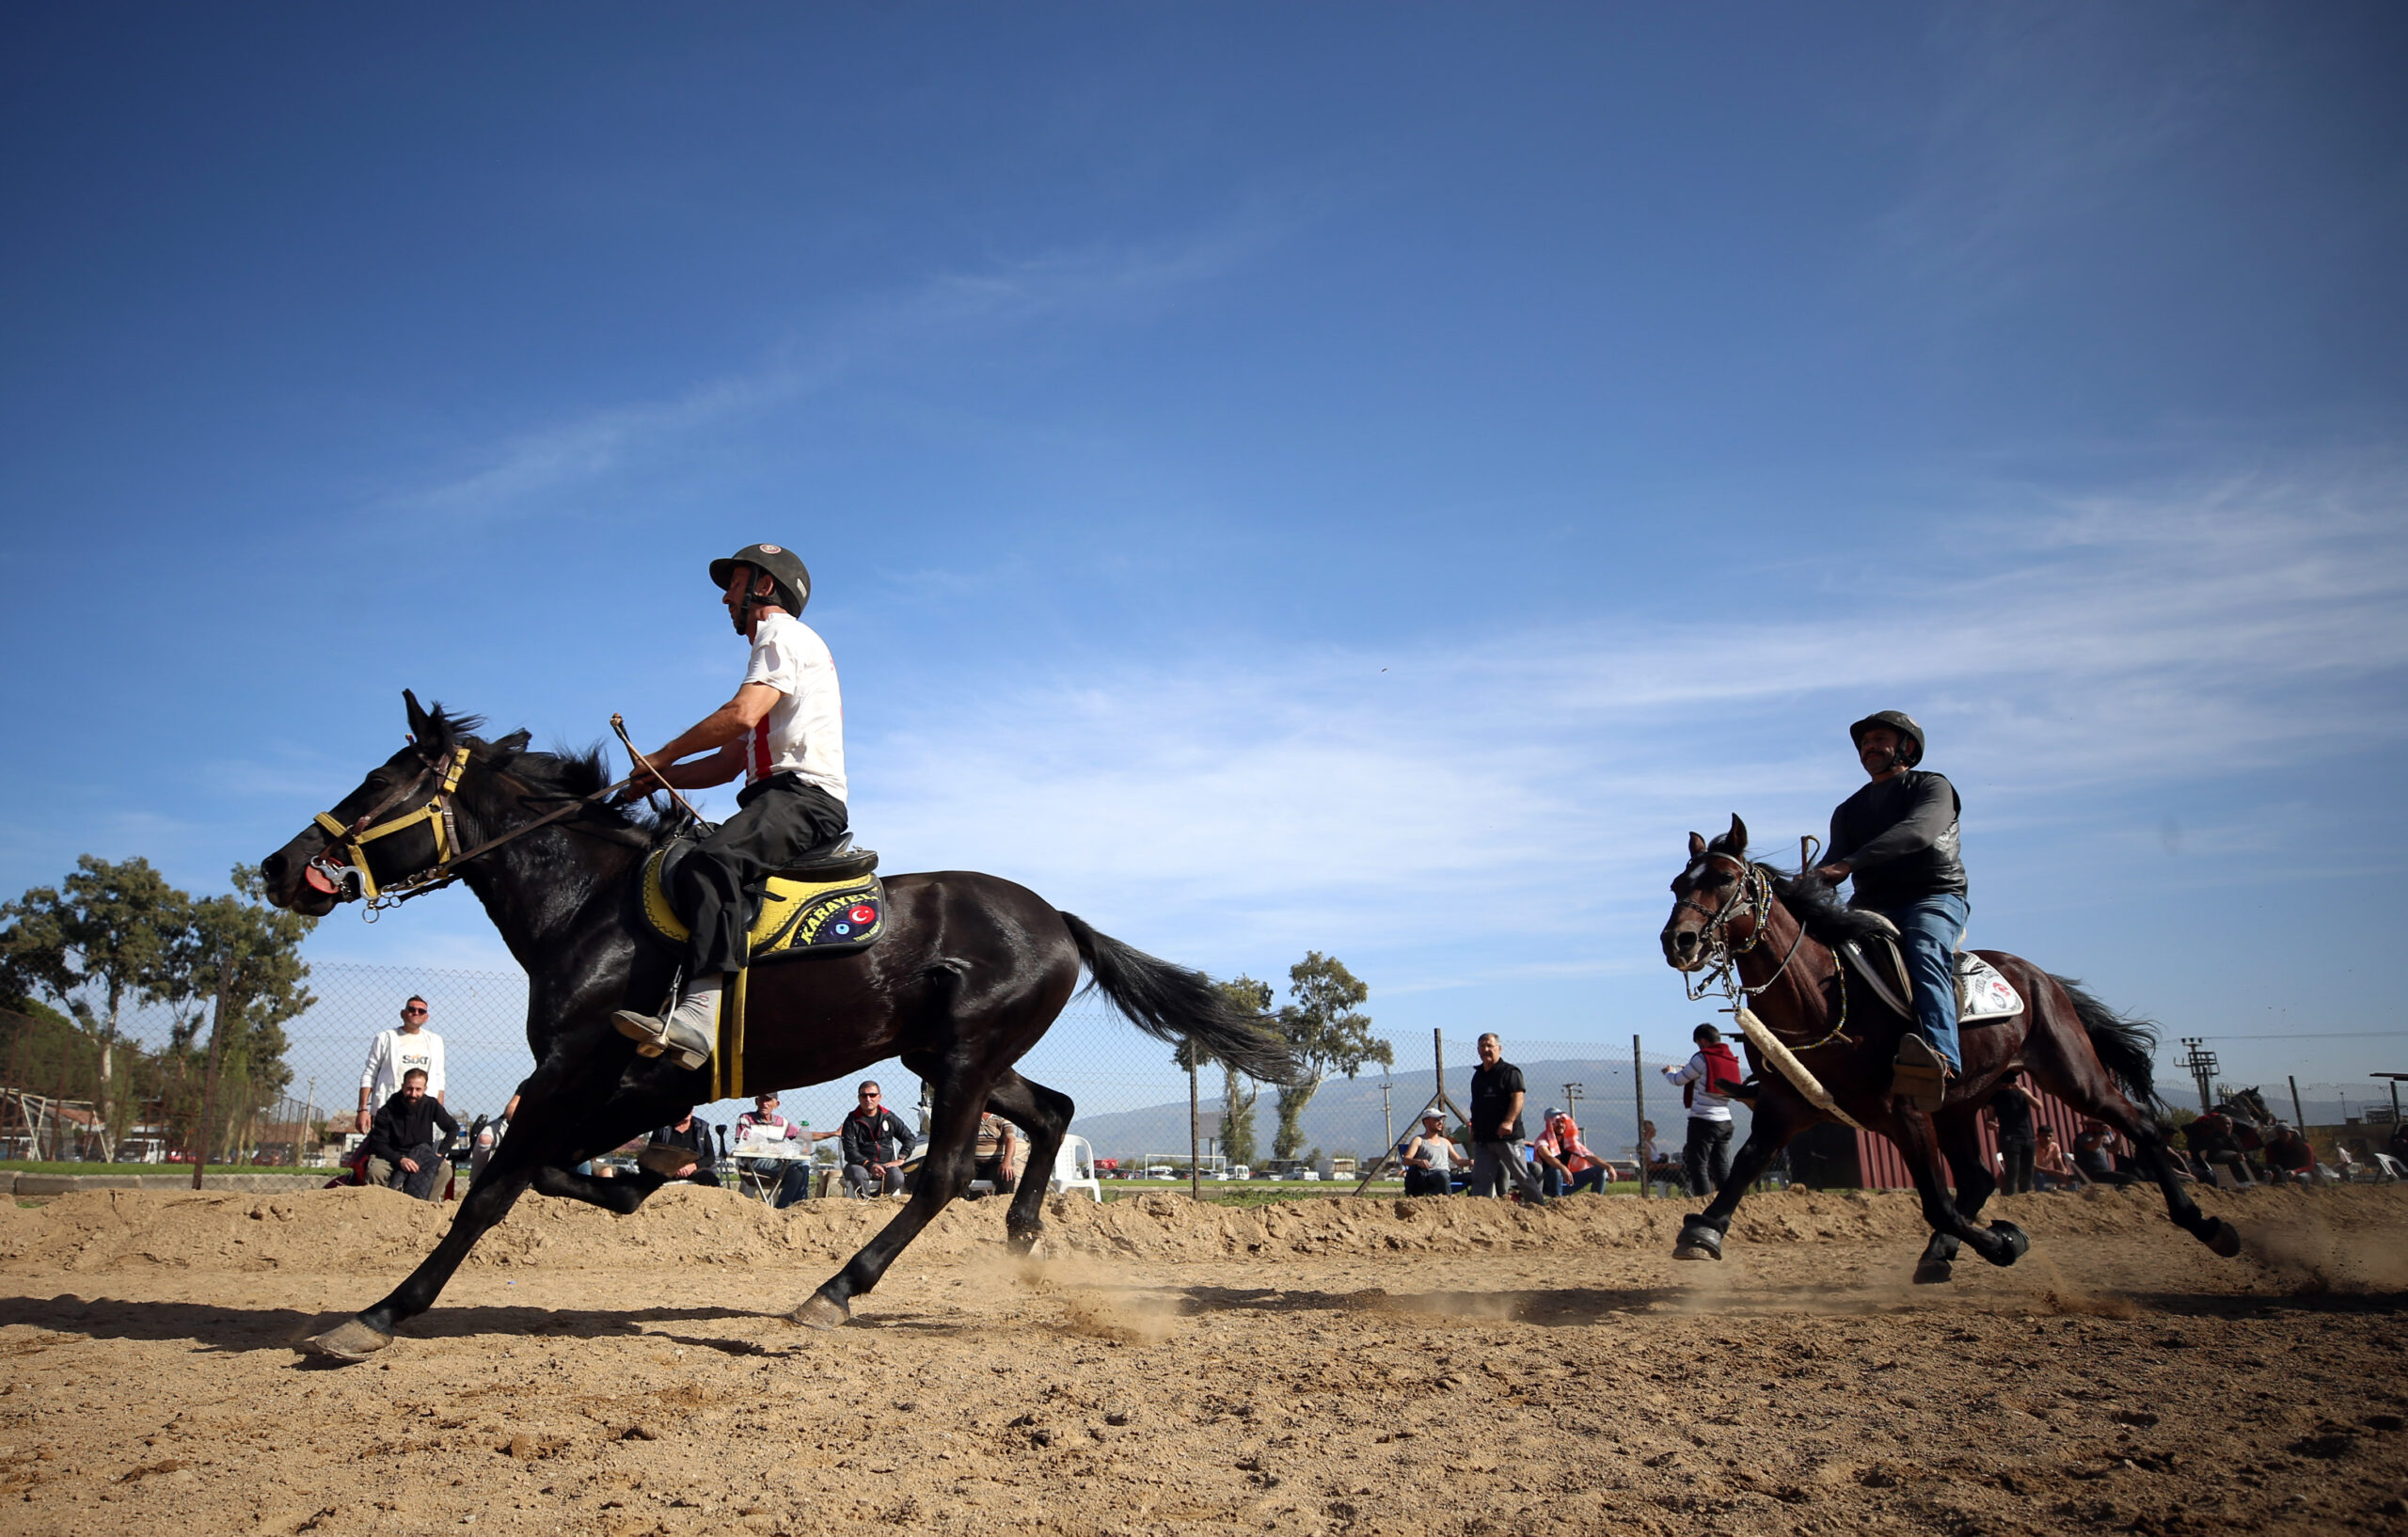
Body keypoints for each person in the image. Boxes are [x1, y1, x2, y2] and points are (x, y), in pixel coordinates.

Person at [610, 544, 849, 1071]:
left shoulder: (780, 636)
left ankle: (697, 1017)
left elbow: (740, 715)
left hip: (803, 799)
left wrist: (661, 754)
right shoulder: (778, 652)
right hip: (778, 797)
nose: (725, 597)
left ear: (763, 587)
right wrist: (653, 779)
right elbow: (723, 766)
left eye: (734, 584)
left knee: (710, 861)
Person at [1814, 710, 1967, 1115]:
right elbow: (1833, 860)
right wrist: (1803, 885)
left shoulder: (1934, 787)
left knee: (1923, 946)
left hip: (1932, 896)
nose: (1869, 748)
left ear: (1907, 748)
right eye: (1864, 743)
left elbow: (1916, 833)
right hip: (1871, 905)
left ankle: (1942, 1057)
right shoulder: (1848, 810)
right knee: (1819, 955)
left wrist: (1847, 865)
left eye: (1879, 739)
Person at [1465, 1033, 1548, 1205]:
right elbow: (1476, 1105)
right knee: (1481, 1179)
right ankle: (1481, 1213)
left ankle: (1538, 1208)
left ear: (1499, 1048)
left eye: (1489, 1046)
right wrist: (1473, 1128)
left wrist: (1509, 1121)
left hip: (1506, 1137)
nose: (1486, 1050)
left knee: (1522, 1176)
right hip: (1483, 1138)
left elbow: (1518, 1098)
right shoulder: (1478, 1076)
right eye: (1482, 1046)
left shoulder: (1510, 1072)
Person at [1662, 1023, 1742, 1198]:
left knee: (1698, 1164)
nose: (1698, 1047)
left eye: (1698, 1044)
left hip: (1703, 1119)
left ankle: (1703, 1201)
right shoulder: (1731, 1059)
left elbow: (1678, 1080)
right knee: (1721, 1165)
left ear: (1703, 1041)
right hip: (1725, 1120)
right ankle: (1727, 1201)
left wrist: (1669, 1072)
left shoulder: (1702, 1058)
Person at [362, 1069, 459, 1201]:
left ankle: (425, 1207)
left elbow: (453, 1128)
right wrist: (400, 1160)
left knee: (445, 1171)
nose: (413, 1093)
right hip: (391, 1155)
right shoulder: (386, 1111)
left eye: (418, 1089)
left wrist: (440, 1153)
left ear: (425, 1089)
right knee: (376, 1172)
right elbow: (379, 1144)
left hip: (422, 1154)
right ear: (402, 1086)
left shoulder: (431, 1105)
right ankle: (378, 1206)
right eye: (409, 1088)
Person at [356, 996, 444, 1133]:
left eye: (421, 1011)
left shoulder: (435, 1041)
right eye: (412, 1009)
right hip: (389, 1108)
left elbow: (439, 1077)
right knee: (385, 1152)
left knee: (420, 1153)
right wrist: (362, 1109)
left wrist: (438, 1109)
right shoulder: (385, 1038)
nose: (416, 1013)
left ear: (426, 1017)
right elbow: (370, 1073)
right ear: (403, 1013)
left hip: (421, 1112)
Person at [733, 1092, 833, 1207]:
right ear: (756, 1101)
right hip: (753, 1162)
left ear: (776, 1104)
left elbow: (804, 1135)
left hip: (778, 1163)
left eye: (768, 1100)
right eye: (761, 1100)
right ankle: (798, 1205)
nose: (764, 1104)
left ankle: (786, 1207)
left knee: (798, 1172)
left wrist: (833, 1133)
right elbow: (744, 1145)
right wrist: (772, 1150)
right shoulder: (746, 1119)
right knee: (801, 1165)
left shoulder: (782, 1122)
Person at [840, 1081, 913, 1196]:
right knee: (858, 1174)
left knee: (897, 1177)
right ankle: (864, 1202)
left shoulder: (889, 1117)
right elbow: (850, 1151)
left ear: (879, 1097)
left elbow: (909, 1138)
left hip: (885, 1166)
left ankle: (878, 1201)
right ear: (859, 1098)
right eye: (864, 1095)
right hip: (859, 1165)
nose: (868, 1099)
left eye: (872, 1095)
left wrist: (901, 1158)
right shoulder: (851, 1120)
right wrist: (869, 1165)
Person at [1533, 1108, 1607, 1196]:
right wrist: (1563, 1168)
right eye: (1556, 1122)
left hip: (1567, 1178)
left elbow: (1588, 1156)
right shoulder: (1542, 1141)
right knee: (1556, 1171)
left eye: (1562, 1122)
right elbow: (1548, 1157)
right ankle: (1558, 1202)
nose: (1560, 1125)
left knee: (1600, 1170)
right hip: (1548, 1182)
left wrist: (1608, 1167)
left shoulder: (1569, 1141)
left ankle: (1596, 1201)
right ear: (1550, 1124)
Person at [1988, 1073, 2039, 1195]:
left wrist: (2023, 1092)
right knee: (2013, 1170)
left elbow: (2038, 1106)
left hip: (2027, 1135)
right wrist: (1990, 1123)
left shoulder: (2022, 1093)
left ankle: (2025, 1194)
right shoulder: (1994, 1096)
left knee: (2028, 1170)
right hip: (2009, 1137)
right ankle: (2009, 1196)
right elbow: (1989, 1117)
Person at [646, 1112, 720, 1188]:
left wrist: (694, 1166)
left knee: (709, 1178)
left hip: (695, 1169)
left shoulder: (701, 1128)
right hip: (668, 1170)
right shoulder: (661, 1129)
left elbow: (710, 1157)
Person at [965, 1112, 1025, 1197]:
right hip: (972, 1164)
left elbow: (1010, 1140)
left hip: (994, 1164)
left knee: (1007, 1175)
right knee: (956, 1174)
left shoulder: (1002, 1118)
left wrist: (1007, 1162)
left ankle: (1003, 1204)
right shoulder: (970, 1116)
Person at [1399, 1111, 1457, 1196]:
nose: (1441, 1122)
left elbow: (1458, 1160)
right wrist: (1418, 1162)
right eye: (1437, 1119)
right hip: (1431, 1175)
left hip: (1447, 1174)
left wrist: (1472, 1162)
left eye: (1442, 1120)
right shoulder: (1419, 1140)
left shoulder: (1445, 1142)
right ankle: (1448, 1201)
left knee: (1473, 1176)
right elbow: (1405, 1160)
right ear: (1426, 1122)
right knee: (1443, 1175)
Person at [2032, 1126, 2083, 1191]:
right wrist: (2055, 1172)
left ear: (2053, 1137)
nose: (2047, 1138)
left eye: (2050, 1136)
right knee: (2039, 1176)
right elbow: (2033, 1167)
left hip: (2046, 1174)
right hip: (2030, 1175)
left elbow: (2059, 1163)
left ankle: (2074, 1196)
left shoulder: (2054, 1146)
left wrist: (2064, 1173)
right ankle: (2040, 1197)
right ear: (2038, 1136)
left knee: (2070, 1177)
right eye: (2044, 1136)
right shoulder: (2032, 1146)